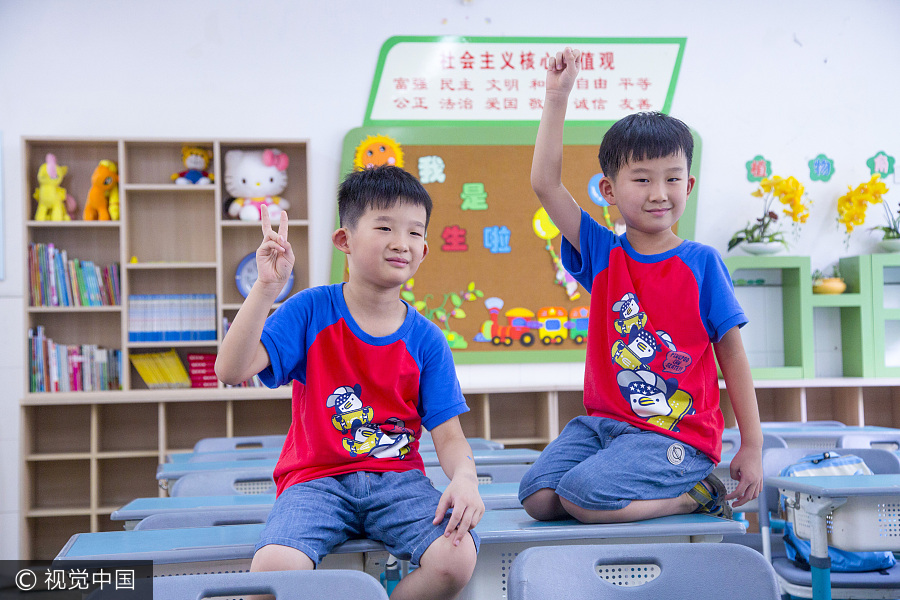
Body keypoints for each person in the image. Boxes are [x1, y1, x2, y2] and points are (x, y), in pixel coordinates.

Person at [519, 47, 763, 524]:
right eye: (642, 179)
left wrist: (751, 445)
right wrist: (556, 95)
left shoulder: (702, 263)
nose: (659, 193)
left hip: (676, 436)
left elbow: (732, 355)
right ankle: (638, 494)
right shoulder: (603, 253)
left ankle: (694, 493)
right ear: (609, 191)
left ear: (688, 186)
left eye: (672, 178)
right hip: (604, 426)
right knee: (538, 497)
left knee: (582, 498)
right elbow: (546, 184)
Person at [216, 165, 482, 600]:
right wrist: (266, 289)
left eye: (415, 233)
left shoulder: (428, 339)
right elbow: (230, 371)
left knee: (456, 558)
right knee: (272, 571)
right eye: (384, 227)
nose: (402, 242)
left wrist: (466, 478)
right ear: (345, 240)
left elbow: (449, 437)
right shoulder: (310, 310)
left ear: (425, 250)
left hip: (399, 482)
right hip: (315, 482)